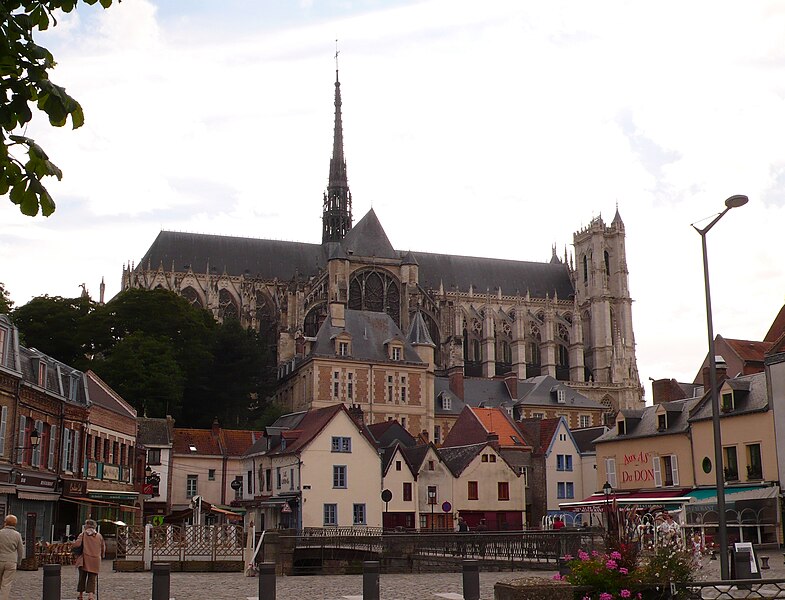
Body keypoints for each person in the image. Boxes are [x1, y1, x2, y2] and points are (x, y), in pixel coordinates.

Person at [73, 519, 106, 600]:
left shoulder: (83, 534)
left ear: (86, 526)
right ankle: (90, 595)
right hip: (95, 560)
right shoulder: (99, 536)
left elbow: (77, 544)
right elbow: (103, 548)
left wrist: (72, 545)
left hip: (84, 559)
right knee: (92, 578)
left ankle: (80, 595)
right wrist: (102, 555)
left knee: (82, 577)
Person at [0, 515, 23, 600]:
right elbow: (20, 550)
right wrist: (19, 561)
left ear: (5, 522)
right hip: (11, 561)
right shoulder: (17, 535)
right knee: (6, 583)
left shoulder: (0, 533)